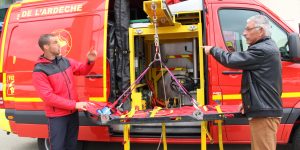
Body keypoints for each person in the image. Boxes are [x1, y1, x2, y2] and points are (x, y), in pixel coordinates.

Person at [203, 15, 282, 150]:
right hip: (264, 111)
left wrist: (213, 50)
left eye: (247, 29)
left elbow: (231, 60)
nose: (244, 33)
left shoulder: (262, 49)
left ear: (261, 30)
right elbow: (260, 82)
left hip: (264, 114)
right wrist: (248, 102)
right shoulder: (267, 47)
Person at [32, 34, 97, 150]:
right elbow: (48, 97)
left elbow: (82, 70)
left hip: (72, 114)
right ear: (46, 47)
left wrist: (89, 62)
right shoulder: (40, 70)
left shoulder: (64, 61)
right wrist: (75, 104)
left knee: (71, 145)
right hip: (58, 117)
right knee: (58, 147)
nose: (59, 45)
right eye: (55, 42)